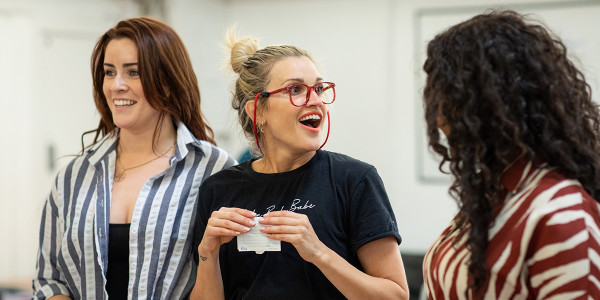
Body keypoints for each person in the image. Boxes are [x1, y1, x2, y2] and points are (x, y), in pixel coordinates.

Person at [189, 30, 409, 300]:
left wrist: (318, 252)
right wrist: (207, 252)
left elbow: (396, 296)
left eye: (318, 89)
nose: (316, 101)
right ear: (257, 111)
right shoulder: (218, 189)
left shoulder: (354, 180)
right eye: (296, 90)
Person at [32, 17, 236, 299]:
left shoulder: (213, 169)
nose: (116, 85)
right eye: (109, 72)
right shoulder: (74, 176)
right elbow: (48, 280)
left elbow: (231, 280)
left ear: (167, 81)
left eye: (133, 73)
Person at [421, 10, 600, 299]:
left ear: (489, 102)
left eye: (444, 96)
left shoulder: (560, 211)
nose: (437, 117)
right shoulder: (496, 195)